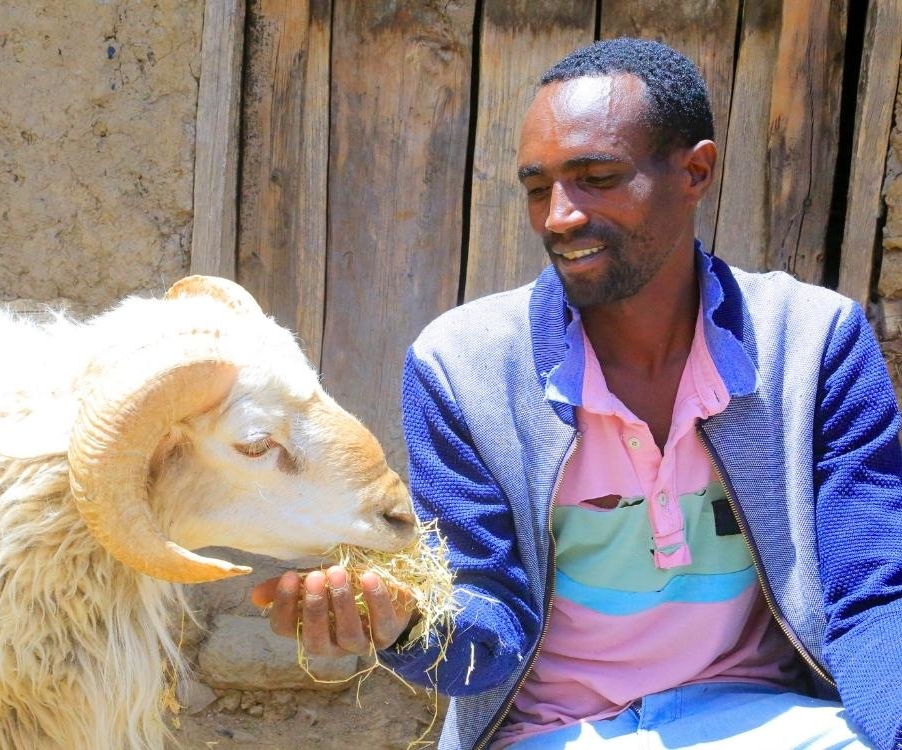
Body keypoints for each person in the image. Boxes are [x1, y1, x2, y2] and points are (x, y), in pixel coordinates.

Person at [252, 37, 902, 750]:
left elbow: (876, 594)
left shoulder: (813, 345)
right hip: (555, 735)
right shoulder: (462, 367)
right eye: (539, 187)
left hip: (770, 723)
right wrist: (407, 621)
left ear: (695, 171)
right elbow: (486, 623)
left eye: (597, 177)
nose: (559, 216)